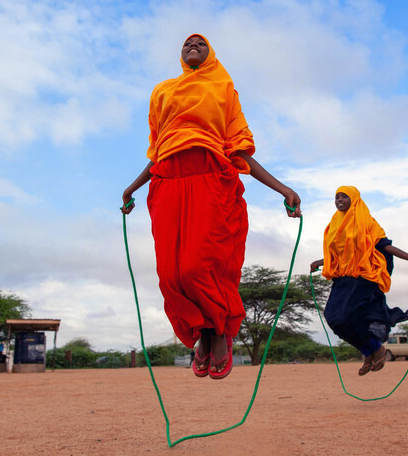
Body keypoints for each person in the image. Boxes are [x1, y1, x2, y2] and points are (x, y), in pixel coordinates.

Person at [122, 34, 301, 380]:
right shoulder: (161, 92)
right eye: (187, 43)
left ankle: (218, 332)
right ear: (180, 54)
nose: (192, 45)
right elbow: (158, 149)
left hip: (210, 179)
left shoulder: (222, 87)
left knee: (197, 267)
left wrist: (282, 188)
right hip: (167, 182)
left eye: (200, 43)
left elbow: (239, 149)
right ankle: (200, 334)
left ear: (210, 54)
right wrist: (131, 188)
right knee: (171, 274)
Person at [310, 186, 408, 377]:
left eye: (344, 197)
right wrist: (320, 262)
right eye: (336, 197)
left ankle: (373, 351)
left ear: (354, 199)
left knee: (346, 317)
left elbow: (386, 247)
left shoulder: (367, 222)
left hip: (363, 277)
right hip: (343, 278)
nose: (339, 200)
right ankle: (369, 349)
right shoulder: (334, 223)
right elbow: (343, 253)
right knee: (333, 318)